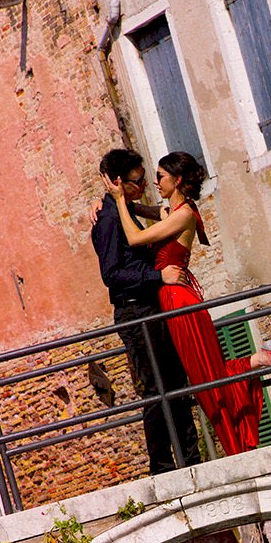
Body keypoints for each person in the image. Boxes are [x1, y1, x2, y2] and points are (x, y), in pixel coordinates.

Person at [103, 152, 271, 457]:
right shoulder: (170, 212)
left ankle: (257, 361)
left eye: (160, 177)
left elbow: (135, 239)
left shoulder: (184, 214)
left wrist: (118, 200)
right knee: (198, 377)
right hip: (171, 301)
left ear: (178, 180)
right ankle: (254, 365)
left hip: (178, 300)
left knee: (204, 375)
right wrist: (108, 202)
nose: (154, 182)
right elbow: (146, 210)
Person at [91, 148, 201, 475]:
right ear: (117, 182)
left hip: (150, 307)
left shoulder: (123, 209)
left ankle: (191, 459)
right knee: (156, 389)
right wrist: (158, 276)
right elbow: (111, 274)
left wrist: (126, 201)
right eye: (137, 183)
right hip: (134, 312)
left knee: (175, 383)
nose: (143, 188)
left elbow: (156, 215)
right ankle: (163, 468)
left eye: (144, 182)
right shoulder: (109, 220)